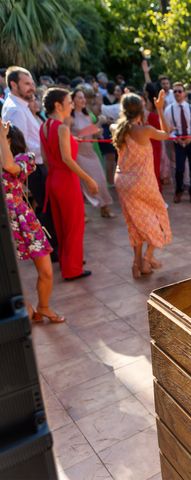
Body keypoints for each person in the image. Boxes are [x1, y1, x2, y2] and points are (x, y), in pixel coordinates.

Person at [1, 122, 64, 323]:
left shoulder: (25, 158)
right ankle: (27, 308)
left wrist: (2, 137)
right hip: (4, 221)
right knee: (8, 276)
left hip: (23, 219)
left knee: (45, 270)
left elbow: (9, 167)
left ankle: (43, 306)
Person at [112, 92, 173, 278]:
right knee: (159, 215)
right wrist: (161, 108)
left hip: (122, 181)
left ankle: (136, 264)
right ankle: (147, 258)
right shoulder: (144, 130)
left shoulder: (116, 128)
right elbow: (167, 133)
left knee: (135, 222)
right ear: (141, 109)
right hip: (141, 181)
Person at [40, 88, 97, 281]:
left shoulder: (45, 126)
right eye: (69, 102)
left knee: (62, 226)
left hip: (53, 180)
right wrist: (88, 179)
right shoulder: (62, 128)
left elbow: (46, 158)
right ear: (58, 105)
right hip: (66, 180)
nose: (71, 105)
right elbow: (67, 158)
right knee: (74, 225)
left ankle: (69, 263)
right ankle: (73, 269)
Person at [2, 66, 59, 260]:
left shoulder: (22, 106)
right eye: (27, 84)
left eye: (32, 83)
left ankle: (53, 251)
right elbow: (20, 146)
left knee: (47, 209)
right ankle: (51, 252)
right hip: (31, 169)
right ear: (13, 84)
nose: (32, 88)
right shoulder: (15, 109)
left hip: (36, 165)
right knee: (44, 210)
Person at [68, 88, 115, 217]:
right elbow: (74, 136)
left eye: (83, 97)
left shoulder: (87, 114)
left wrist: (97, 133)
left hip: (91, 151)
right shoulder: (70, 118)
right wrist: (98, 123)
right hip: (79, 154)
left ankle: (104, 208)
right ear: (73, 100)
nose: (83, 100)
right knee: (84, 183)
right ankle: (83, 213)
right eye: (79, 97)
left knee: (100, 179)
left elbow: (91, 134)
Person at [164, 81, 191, 204]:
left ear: (184, 93)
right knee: (179, 169)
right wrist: (175, 138)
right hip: (178, 141)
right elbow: (167, 129)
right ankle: (178, 191)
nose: (177, 93)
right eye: (175, 91)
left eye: (180, 91)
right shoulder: (169, 110)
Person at [143, 82, 164, 190]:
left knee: (154, 169)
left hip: (154, 142)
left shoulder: (155, 105)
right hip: (145, 142)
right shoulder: (145, 104)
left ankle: (157, 193)